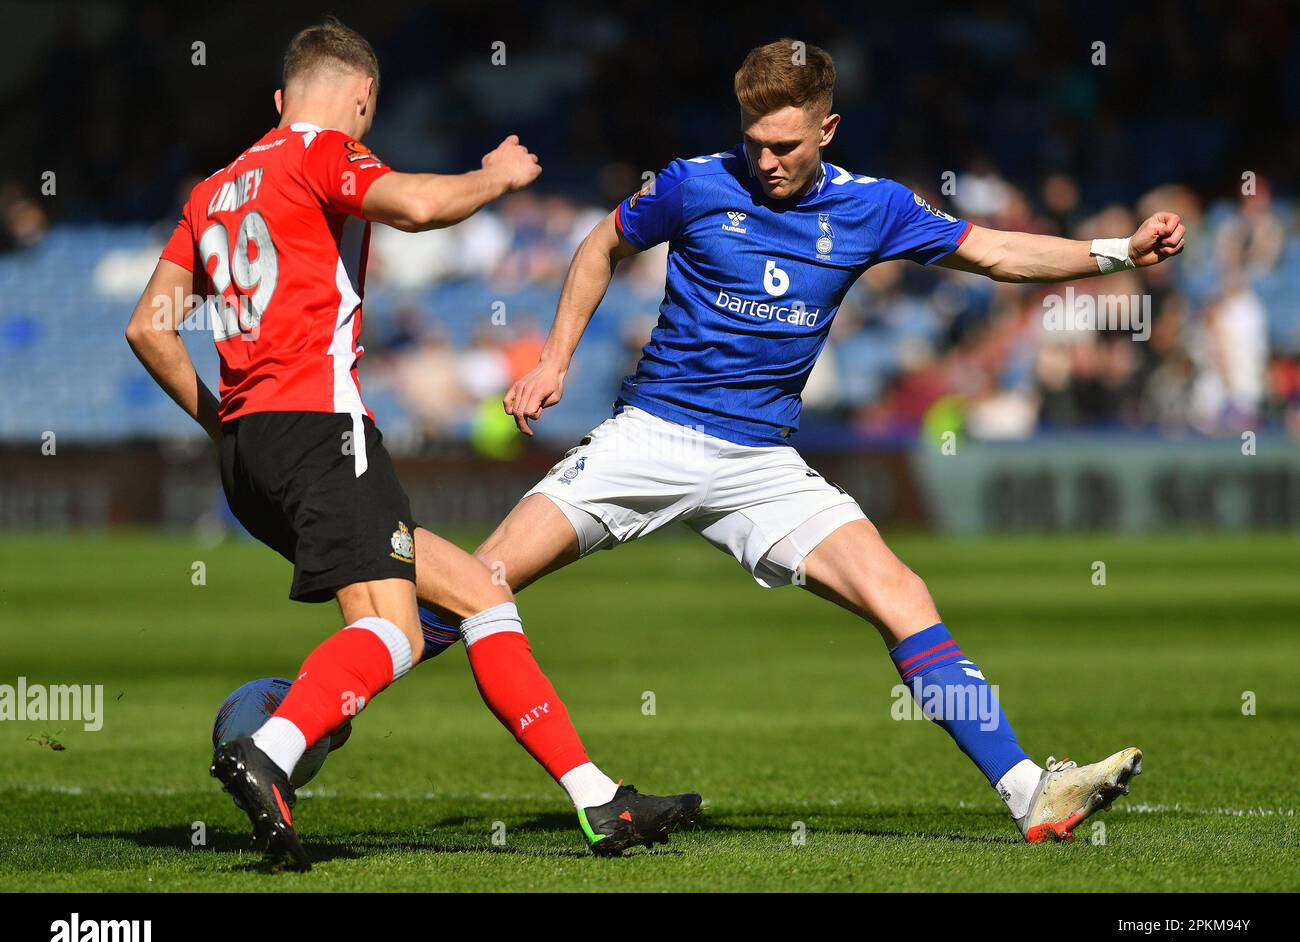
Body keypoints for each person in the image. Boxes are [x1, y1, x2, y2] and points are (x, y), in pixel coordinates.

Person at [416, 38, 1186, 842]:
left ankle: (1030, 790)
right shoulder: (691, 183)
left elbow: (994, 252)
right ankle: (310, 715)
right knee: (481, 579)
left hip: (761, 463)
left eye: (785, 144)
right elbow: (601, 244)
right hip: (651, 436)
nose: (767, 159)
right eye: (754, 141)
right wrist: (553, 361)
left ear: (829, 130)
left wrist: (1115, 252)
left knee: (902, 594)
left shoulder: (875, 205)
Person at [125, 18, 699, 869]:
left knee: (479, 592)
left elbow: (149, 327)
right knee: (393, 627)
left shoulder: (212, 191)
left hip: (251, 453)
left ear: (279, 98)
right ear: (361, 100)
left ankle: (598, 801)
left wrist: (224, 423)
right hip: (321, 431)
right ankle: (275, 748)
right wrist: (496, 175)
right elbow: (422, 206)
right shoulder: (321, 152)